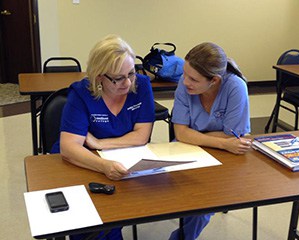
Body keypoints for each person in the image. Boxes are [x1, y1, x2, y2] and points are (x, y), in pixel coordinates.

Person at [51, 35, 155, 240]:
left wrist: (99, 143)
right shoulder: (81, 93)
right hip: (81, 161)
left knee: (114, 217)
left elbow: (142, 136)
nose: (127, 83)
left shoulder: (141, 85)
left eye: (131, 73)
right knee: (88, 222)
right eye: (118, 78)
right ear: (99, 77)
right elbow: (70, 147)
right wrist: (103, 165)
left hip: (120, 159)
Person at [170, 42, 251, 240]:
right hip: (189, 150)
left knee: (205, 202)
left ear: (214, 80)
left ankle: (182, 237)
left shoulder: (235, 87)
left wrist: (195, 136)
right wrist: (223, 141)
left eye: (193, 79)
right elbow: (180, 133)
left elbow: (235, 138)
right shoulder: (184, 84)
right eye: (185, 74)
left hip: (225, 157)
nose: (185, 81)